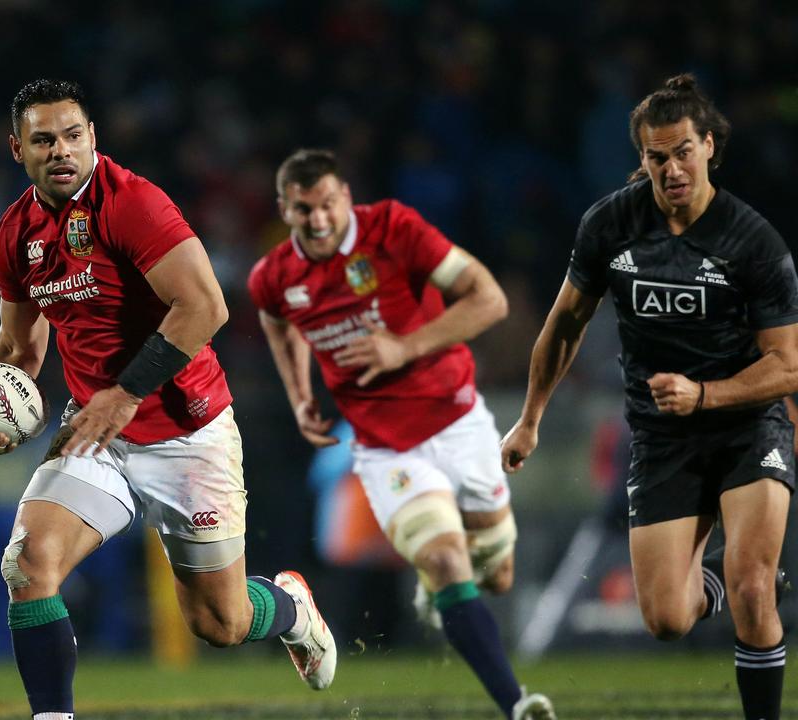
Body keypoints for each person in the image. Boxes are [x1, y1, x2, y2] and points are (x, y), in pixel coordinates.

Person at [0, 79, 337, 720]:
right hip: (99, 435)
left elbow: (206, 305)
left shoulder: (132, 204)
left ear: (92, 138)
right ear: (17, 149)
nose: (61, 150)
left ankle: (289, 606)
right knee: (28, 562)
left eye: (73, 136)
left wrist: (122, 395)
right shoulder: (15, 234)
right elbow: (18, 351)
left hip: (189, 431)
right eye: (44, 140)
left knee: (221, 624)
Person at [501, 73, 798, 720]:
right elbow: (563, 326)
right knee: (666, 618)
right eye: (657, 156)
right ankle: (722, 575)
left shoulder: (754, 243)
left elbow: (787, 366)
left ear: (711, 146)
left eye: (683, 152)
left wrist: (705, 395)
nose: (672, 169)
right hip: (661, 435)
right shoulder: (610, 225)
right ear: (642, 157)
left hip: (747, 425)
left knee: (754, 591)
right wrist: (528, 421)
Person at [247, 148, 554, 720]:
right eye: (303, 209)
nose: (318, 220)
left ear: (347, 197)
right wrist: (299, 396)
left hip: (459, 422)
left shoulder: (394, 229)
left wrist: (404, 346)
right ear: (284, 209)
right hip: (386, 448)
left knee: (499, 576)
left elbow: (490, 299)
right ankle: (517, 704)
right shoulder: (274, 277)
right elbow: (275, 319)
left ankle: (444, 588)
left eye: (328, 204)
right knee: (443, 561)